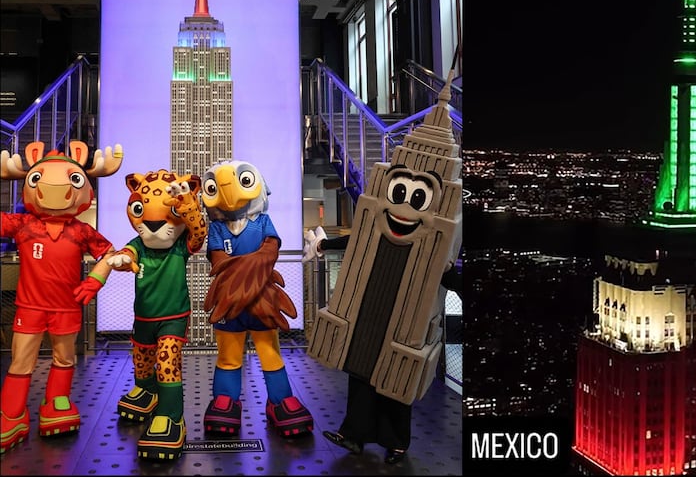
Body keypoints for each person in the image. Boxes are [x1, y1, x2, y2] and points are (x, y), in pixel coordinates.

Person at [0, 141, 122, 453]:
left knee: (64, 358)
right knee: (20, 362)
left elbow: (110, 254)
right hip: (30, 307)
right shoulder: (24, 224)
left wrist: (95, 280)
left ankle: (56, 404)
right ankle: (12, 414)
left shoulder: (81, 231)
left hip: (67, 308)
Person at [304, 228, 461, 464]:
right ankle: (353, 436)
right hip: (372, 315)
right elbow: (358, 239)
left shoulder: (429, 239)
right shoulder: (381, 230)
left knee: (396, 381)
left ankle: (396, 443)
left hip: (406, 322)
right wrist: (323, 245)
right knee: (360, 373)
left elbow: (445, 271)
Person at [200, 160, 313, 438]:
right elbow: (217, 259)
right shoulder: (216, 227)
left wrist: (248, 270)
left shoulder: (262, 220)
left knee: (270, 352)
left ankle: (279, 400)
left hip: (263, 301)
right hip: (229, 303)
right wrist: (242, 275)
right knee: (228, 355)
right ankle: (226, 399)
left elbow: (271, 248)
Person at [106, 170, 207, 460]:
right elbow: (129, 252)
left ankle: (171, 416)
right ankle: (147, 392)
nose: (151, 224)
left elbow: (199, 232)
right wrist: (123, 261)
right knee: (142, 361)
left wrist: (186, 200)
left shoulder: (181, 245)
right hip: (144, 317)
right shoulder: (138, 245)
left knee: (166, 364)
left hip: (174, 316)